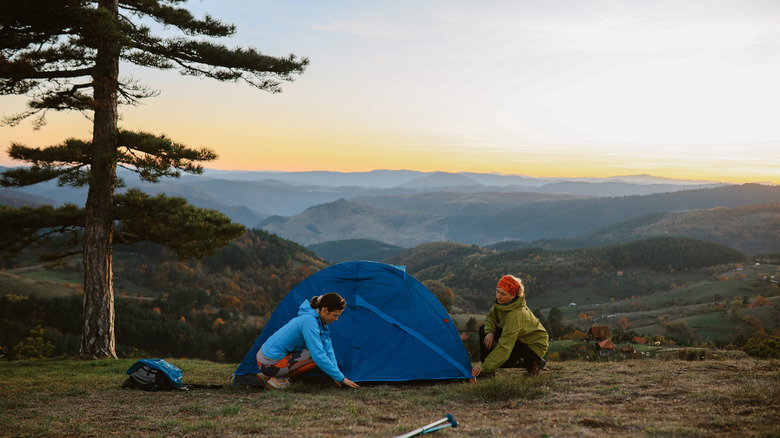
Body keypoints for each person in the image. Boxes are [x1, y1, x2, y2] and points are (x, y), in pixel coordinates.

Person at [256, 292, 359, 389]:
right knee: (314, 356)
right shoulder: (309, 321)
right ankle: (276, 379)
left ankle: (267, 376)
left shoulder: (320, 323)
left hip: (265, 359)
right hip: (269, 363)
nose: (336, 319)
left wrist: (336, 375)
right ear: (325, 310)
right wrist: (341, 378)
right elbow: (318, 355)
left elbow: (328, 349)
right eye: (335, 315)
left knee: (319, 353)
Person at [471, 275, 548, 377]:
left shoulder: (515, 315)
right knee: (483, 330)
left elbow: (505, 347)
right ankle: (487, 373)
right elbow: (491, 316)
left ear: (513, 295)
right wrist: (490, 332)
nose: (498, 296)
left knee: (503, 360)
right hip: (519, 339)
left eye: (503, 294)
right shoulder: (502, 303)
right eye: (497, 291)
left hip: (534, 346)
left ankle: (534, 362)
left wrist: (484, 366)